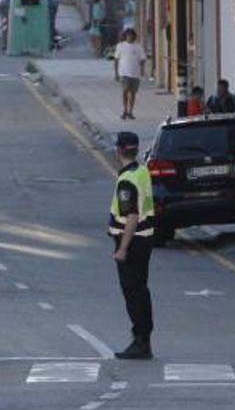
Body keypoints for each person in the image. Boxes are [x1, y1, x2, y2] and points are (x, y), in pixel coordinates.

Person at [109, 131, 155, 360]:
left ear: (118, 150)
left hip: (133, 243)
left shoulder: (127, 180)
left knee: (133, 293)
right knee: (141, 290)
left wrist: (122, 249)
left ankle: (140, 340)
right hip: (145, 240)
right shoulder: (142, 171)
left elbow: (132, 216)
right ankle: (143, 338)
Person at [113, 28, 145, 120]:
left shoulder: (138, 46)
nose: (129, 37)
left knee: (133, 93)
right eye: (127, 35)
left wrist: (142, 69)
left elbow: (142, 58)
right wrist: (116, 73)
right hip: (124, 72)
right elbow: (116, 59)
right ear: (125, 36)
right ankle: (125, 110)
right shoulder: (120, 46)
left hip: (135, 73)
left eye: (131, 35)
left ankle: (130, 111)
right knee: (125, 90)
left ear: (134, 36)